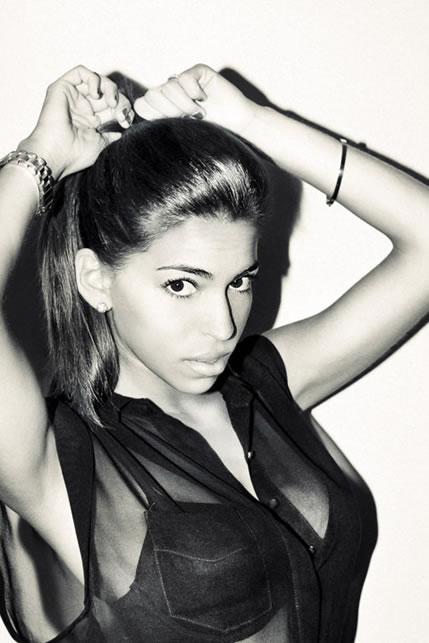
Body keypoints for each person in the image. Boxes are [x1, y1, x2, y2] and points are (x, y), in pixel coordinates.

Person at [0, 63, 428, 643]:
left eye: (240, 281)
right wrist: (40, 156)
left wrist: (254, 123)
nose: (223, 325)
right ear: (96, 281)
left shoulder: (264, 382)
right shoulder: (53, 458)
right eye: (182, 284)